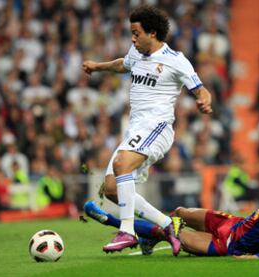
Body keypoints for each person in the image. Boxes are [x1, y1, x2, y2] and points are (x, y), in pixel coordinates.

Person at [82, 5, 212, 255]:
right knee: (110, 190)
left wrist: (204, 100)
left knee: (122, 164)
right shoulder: (136, 53)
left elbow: (200, 88)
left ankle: (128, 231)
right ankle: (167, 224)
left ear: (152, 33)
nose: (132, 39)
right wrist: (98, 66)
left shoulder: (176, 60)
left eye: (136, 33)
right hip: (135, 129)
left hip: (158, 127)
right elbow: (124, 64)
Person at [84, 163, 259, 257]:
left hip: (227, 244)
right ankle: (148, 238)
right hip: (233, 223)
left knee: (172, 232)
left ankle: (110, 220)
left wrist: (253, 257)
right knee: (180, 212)